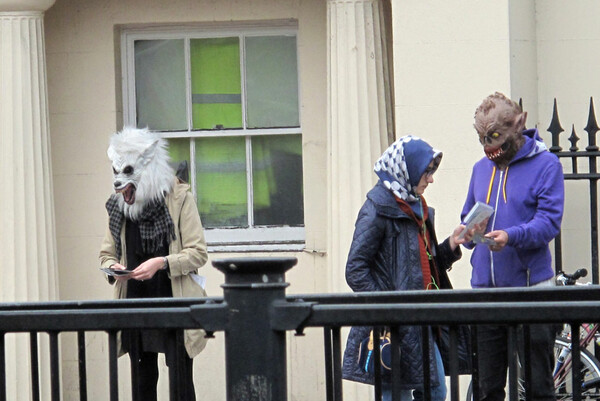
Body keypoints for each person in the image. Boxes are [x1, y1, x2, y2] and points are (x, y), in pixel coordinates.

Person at [342, 135, 473, 401]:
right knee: (395, 394)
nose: (431, 179)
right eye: (426, 172)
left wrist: (450, 244)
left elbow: (424, 266)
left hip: (422, 319)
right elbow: (355, 269)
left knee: (435, 391)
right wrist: (388, 307)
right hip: (394, 323)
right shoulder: (377, 209)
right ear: (407, 170)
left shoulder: (418, 207)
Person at [462, 92, 564, 401]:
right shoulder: (481, 168)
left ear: (517, 126)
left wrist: (511, 236)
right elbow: (468, 214)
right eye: (482, 138)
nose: (488, 146)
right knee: (486, 389)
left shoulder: (547, 165)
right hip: (486, 293)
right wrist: (467, 232)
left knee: (537, 388)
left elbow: (549, 222)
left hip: (531, 290)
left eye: (493, 136)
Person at [99, 127, 208, 401]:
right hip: (136, 303)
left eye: (126, 175)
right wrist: (114, 268)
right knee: (142, 383)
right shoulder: (118, 206)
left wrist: (161, 263)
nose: (119, 186)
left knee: (181, 384)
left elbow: (198, 253)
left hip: (175, 302)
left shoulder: (180, 197)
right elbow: (106, 254)